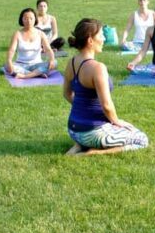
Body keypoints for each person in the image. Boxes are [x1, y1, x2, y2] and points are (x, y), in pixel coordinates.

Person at [63, 18, 148, 155]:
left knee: (122, 129)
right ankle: (93, 152)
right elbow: (106, 105)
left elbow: (67, 94)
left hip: (74, 130)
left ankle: (80, 145)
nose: (104, 39)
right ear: (90, 40)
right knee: (141, 139)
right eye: (101, 35)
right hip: (93, 132)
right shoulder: (98, 68)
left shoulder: (71, 63)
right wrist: (116, 121)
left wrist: (82, 110)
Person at [5, 7, 57, 79]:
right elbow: (12, 50)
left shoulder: (41, 34)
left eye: (31, 18)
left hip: (37, 64)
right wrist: (9, 61)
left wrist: (51, 59)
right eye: (25, 18)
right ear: (22, 20)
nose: (28, 21)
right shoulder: (17, 34)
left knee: (54, 63)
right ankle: (37, 74)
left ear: (35, 19)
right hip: (21, 65)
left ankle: (25, 76)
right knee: (7, 66)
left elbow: (48, 49)